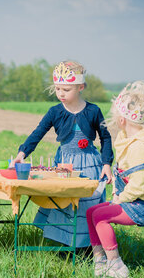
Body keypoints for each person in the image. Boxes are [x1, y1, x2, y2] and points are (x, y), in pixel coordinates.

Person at [12, 61, 113, 251]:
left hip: (90, 164)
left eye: (66, 89)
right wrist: (22, 153)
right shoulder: (55, 112)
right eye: (58, 89)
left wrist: (106, 163)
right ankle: (65, 245)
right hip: (65, 165)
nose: (61, 93)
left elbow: (106, 138)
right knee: (64, 203)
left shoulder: (93, 111)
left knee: (85, 204)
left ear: (81, 87)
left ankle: (87, 248)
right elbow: (38, 133)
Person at [86, 81, 144, 278]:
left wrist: (119, 199)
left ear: (122, 120)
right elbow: (124, 173)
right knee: (91, 212)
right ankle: (100, 262)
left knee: (101, 216)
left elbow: (138, 186)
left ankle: (116, 266)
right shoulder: (126, 139)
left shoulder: (139, 147)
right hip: (133, 201)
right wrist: (116, 191)